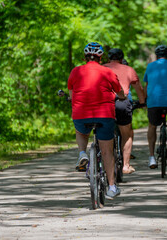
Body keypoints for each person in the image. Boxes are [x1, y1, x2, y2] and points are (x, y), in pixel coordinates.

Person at [67, 42, 126, 199]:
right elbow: (119, 91)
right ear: (101, 57)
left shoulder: (75, 72)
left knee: (81, 130)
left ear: (85, 57)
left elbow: (72, 96)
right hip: (104, 114)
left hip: (81, 114)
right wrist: (122, 96)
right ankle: (112, 188)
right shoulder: (107, 72)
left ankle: (82, 153)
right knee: (107, 151)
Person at [104, 49, 146, 174]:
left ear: (108, 58)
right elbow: (138, 88)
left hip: (104, 103)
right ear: (122, 59)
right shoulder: (129, 70)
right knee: (126, 135)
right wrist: (142, 102)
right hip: (122, 102)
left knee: (103, 132)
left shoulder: (102, 68)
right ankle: (126, 166)